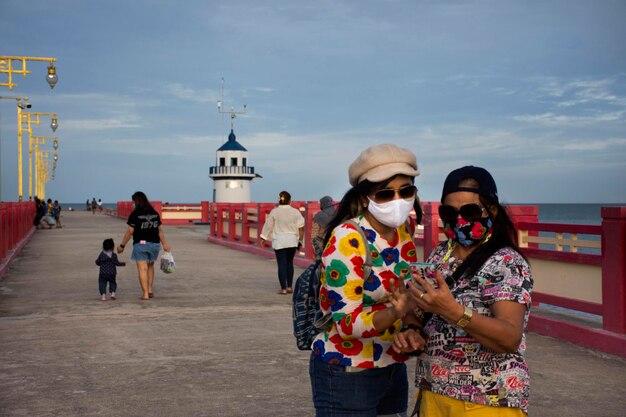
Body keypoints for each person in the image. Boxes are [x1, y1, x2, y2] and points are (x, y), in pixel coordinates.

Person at [393, 166, 533, 416]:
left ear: (491, 210)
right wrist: (411, 328)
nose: (459, 220)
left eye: (469, 211)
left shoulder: (506, 262)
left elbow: (510, 337)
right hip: (433, 393)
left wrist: (452, 311)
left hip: (485, 402)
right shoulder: (439, 254)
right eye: (449, 212)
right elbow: (418, 310)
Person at [309, 143, 422, 417]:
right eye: (385, 194)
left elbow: (404, 295)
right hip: (348, 370)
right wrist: (397, 310)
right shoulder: (347, 238)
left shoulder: (404, 233)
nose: (398, 200)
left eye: (406, 191)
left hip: (391, 365)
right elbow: (346, 323)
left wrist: (409, 326)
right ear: (363, 199)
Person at [117, 191, 171, 300]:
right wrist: (165, 244)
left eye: (133, 201)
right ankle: (150, 290)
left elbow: (129, 231)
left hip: (141, 244)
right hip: (155, 244)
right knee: (150, 266)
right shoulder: (154, 213)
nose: (132, 204)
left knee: (142, 269)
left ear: (136, 201)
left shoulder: (135, 214)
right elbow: (159, 230)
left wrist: (122, 245)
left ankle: (145, 294)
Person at [260, 191, 305, 295]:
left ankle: (283, 289)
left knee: (281, 264)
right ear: (290, 200)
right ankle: (289, 287)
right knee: (290, 263)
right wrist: (300, 241)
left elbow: (268, 226)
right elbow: (301, 229)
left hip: (279, 241)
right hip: (292, 240)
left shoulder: (274, 212)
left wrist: (263, 237)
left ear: (279, 200)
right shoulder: (295, 212)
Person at [310, 195, 335, 260]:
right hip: (335, 242)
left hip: (321, 244)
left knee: (320, 263)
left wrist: (314, 248)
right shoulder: (338, 215)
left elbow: (314, 234)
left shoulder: (318, 216)